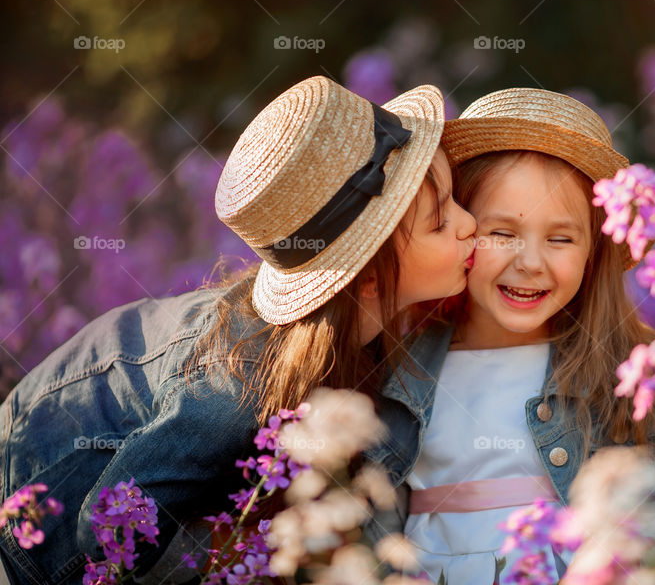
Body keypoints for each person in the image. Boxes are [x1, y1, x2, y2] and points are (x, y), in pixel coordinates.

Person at [0, 76, 477, 584]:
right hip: (34, 535)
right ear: (369, 281)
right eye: (440, 221)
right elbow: (110, 528)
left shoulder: (362, 330)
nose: (470, 223)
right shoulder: (236, 382)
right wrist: (242, 556)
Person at [364, 88, 655, 583]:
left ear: (594, 253)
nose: (529, 262)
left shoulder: (624, 365)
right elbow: (375, 511)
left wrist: (622, 563)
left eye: (561, 238)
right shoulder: (402, 363)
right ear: (460, 229)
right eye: (502, 233)